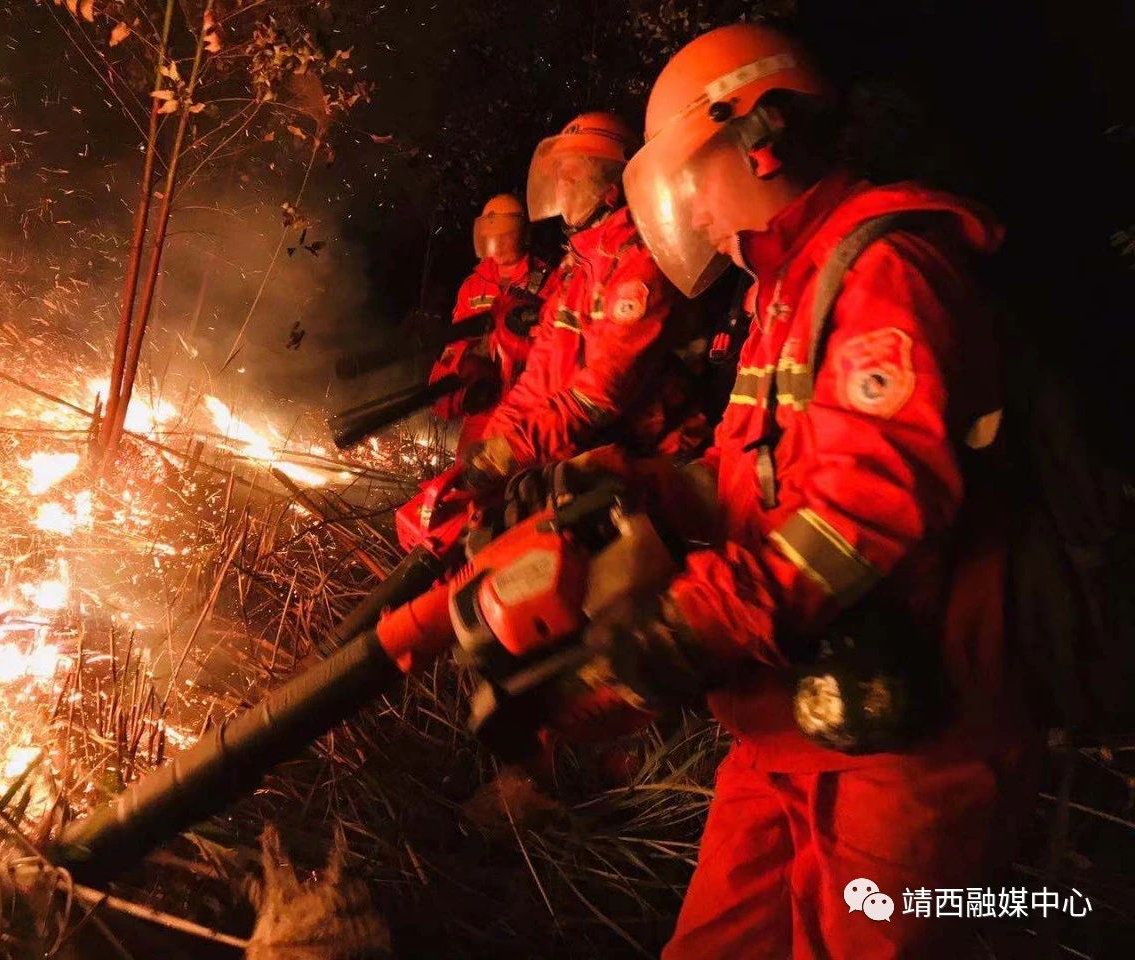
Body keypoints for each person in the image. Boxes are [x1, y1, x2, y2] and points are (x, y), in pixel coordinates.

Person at [570, 23, 1036, 958]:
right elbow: (770, 477)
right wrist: (647, 490)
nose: (692, 212)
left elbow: (869, 511)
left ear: (761, 136)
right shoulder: (790, 285)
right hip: (790, 727)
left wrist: (692, 620)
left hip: (907, 754)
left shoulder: (889, 269)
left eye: (692, 177)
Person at [461, 112, 708, 488]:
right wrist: (494, 439)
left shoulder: (638, 264)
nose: (562, 186)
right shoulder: (575, 268)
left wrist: (514, 450)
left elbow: (601, 395)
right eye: (558, 175)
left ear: (612, 185)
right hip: (595, 451)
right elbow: (540, 373)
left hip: (664, 461)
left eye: (573, 174)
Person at [429, 194, 551, 451]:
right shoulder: (474, 285)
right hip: (484, 405)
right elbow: (455, 344)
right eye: (492, 231)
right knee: (468, 478)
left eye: (506, 233)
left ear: (521, 234)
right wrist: (467, 365)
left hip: (528, 411)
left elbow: (556, 348)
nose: (498, 240)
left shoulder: (548, 282)